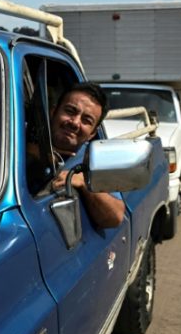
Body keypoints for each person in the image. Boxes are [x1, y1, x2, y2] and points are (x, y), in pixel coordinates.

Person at [48, 82, 126, 229]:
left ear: (92, 134)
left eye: (86, 120)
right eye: (70, 111)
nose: (75, 122)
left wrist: (84, 183)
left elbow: (115, 217)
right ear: (53, 112)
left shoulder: (96, 161)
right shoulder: (18, 141)